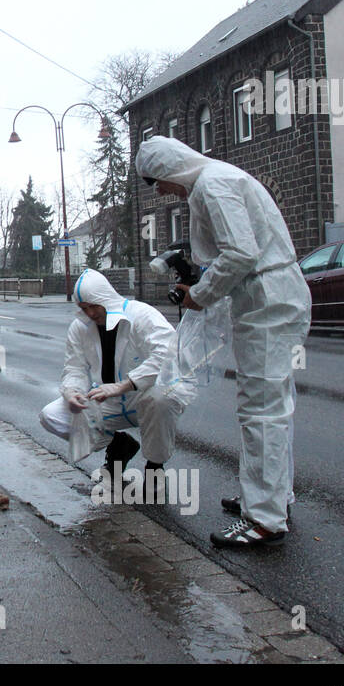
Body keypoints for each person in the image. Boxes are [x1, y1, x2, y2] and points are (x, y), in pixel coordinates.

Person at [135, 137, 311, 548]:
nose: (160, 191)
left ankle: (264, 520)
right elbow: (240, 251)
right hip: (275, 297)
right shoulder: (219, 178)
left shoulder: (212, 185)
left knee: (261, 411)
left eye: (157, 181)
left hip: (267, 304)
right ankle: (273, 499)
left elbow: (240, 254)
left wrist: (202, 293)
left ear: (169, 168)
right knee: (276, 406)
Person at [39, 268, 183, 500]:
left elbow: (170, 354)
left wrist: (125, 384)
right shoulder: (80, 327)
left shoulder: (141, 315)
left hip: (142, 397)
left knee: (161, 399)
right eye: (84, 308)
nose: (90, 313)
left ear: (105, 298)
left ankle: (155, 466)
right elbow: (74, 367)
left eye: (94, 306)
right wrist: (72, 392)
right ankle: (120, 445)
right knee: (51, 415)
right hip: (107, 400)